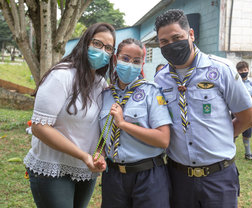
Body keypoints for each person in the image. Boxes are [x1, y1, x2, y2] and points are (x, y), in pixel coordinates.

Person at [154, 9, 252, 208]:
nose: (171, 45)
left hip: (218, 177)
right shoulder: (160, 79)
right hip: (178, 178)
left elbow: (248, 118)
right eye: (164, 42)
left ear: (191, 34)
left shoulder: (221, 69)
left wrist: (221, 139)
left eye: (177, 37)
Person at [24, 22, 115, 208]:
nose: (102, 51)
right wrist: (83, 155)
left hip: (86, 170)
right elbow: (39, 127)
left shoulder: (101, 84)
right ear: (85, 43)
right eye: (97, 44)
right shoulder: (61, 76)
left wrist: (99, 152)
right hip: (53, 168)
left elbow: (101, 126)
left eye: (108, 48)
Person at [99, 38, 172, 208]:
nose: (130, 64)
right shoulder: (104, 95)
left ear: (142, 64)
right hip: (114, 177)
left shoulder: (152, 92)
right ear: (116, 59)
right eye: (125, 58)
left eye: (136, 61)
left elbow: (163, 139)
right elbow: (103, 135)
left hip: (148, 176)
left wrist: (123, 124)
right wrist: (100, 154)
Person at [235, 61, 252, 163]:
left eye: (245, 70)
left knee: (247, 134)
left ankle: (248, 154)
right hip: (235, 112)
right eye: (240, 70)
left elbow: (251, 100)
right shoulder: (234, 83)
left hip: (247, 113)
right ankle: (229, 155)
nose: (243, 72)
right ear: (237, 71)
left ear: (248, 70)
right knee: (233, 133)